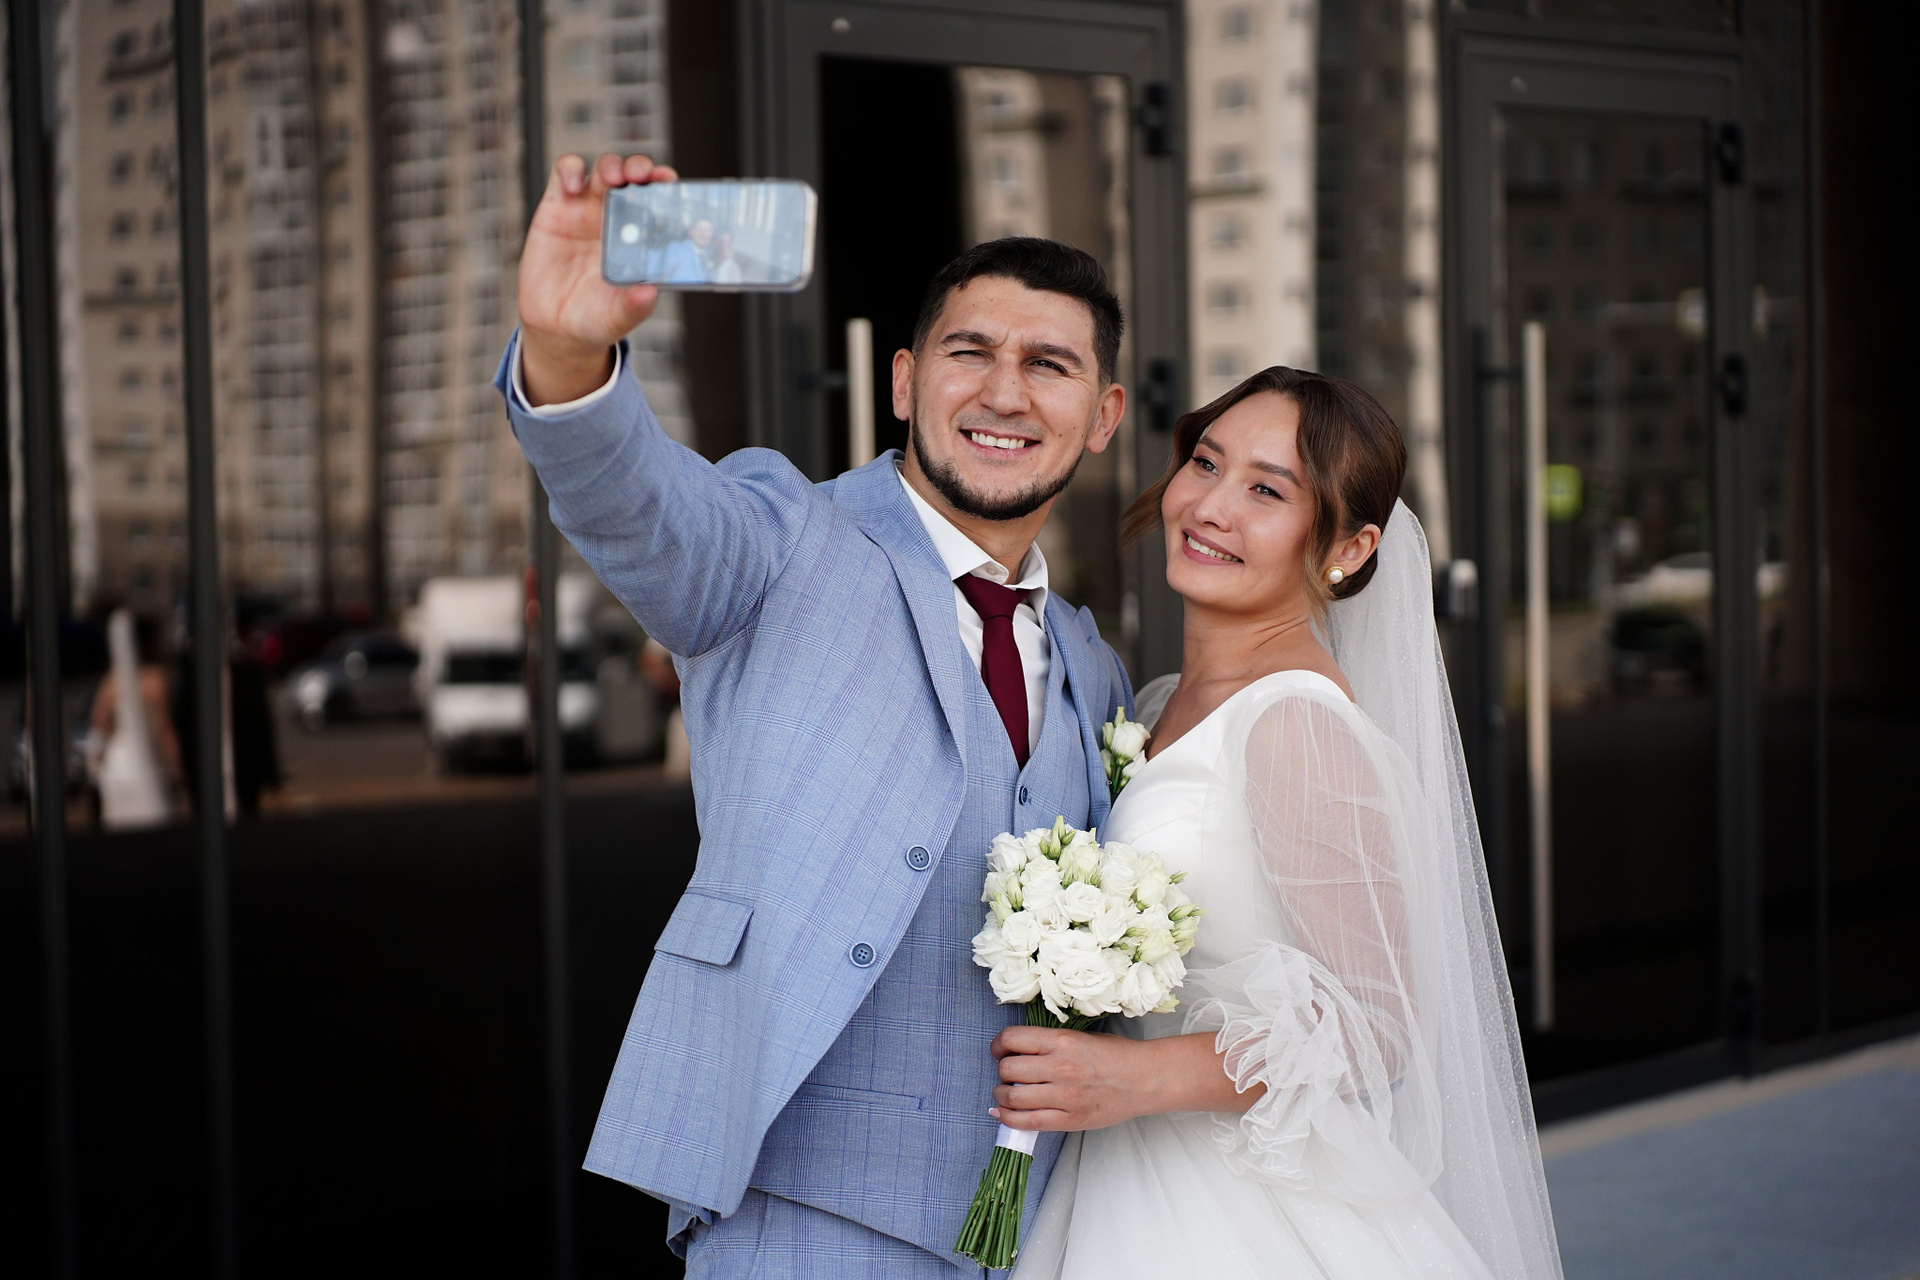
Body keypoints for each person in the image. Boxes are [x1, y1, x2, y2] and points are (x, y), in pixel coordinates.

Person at [500, 152, 1133, 1276]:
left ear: (1102, 416)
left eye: (1050, 365)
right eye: (969, 352)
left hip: (1034, 1231)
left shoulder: (1093, 664)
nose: (1004, 392)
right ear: (903, 382)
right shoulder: (780, 541)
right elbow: (638, 505)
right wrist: (566, 354)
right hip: (797, 1211)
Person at [998, 369, 1564, 1279]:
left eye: (1266, 491)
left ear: (1348, 546)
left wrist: (1138, 1077)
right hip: (1121, 1169)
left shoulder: (1296, 723)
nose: (1210, 506)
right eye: (1205, 462)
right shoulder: (1156, 705)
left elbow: (1377, 1024)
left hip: (1235, 1202)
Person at [657, 215, 714, 283]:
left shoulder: (708, 256)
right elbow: (662, 278)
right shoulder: (676, 249)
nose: (703, 234)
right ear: (690, 231)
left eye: (708, 230)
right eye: (699, 229)